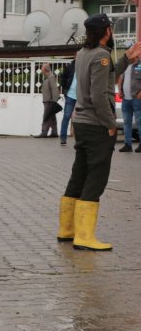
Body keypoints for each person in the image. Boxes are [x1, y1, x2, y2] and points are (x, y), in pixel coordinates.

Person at [58, 13, 117, 251]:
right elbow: (99, 94)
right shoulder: (101, 55)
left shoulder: (83, 53)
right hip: (96, 124)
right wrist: (111, 123)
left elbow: (105, 77)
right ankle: (84, 236)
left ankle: (67, 230)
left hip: (81, 122)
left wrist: (127, 60)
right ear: (106, 31)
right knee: (96, 178)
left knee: (79, 174)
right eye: (111, 28)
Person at [115, 42, 141, 152]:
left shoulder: (139, 65)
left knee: (140, 122)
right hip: (126, 98)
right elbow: (120, 78)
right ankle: (127, 144)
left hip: (137, 98)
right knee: (126, 122)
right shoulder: (125, 65)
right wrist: (120, 91)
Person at [39, 63, 61, 138]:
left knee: (46, 116)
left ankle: (44, 132)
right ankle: (54, 132)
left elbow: (54, 88)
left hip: (50, 101)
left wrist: (54, 101)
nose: (41, 69)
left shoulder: (51, 77)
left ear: (45, 69)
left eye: (42, 68)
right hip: (48, 100)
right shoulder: (47, 77)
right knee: (52, 117)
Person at [59, 62, 77, 146]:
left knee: (81, 118)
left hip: (81, 96)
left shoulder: (85, 65)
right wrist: (65, 89)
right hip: (70, 95)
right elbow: (62, 78)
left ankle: (80, 139)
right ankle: (63, 138)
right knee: (67, 116)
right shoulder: (70, 66)